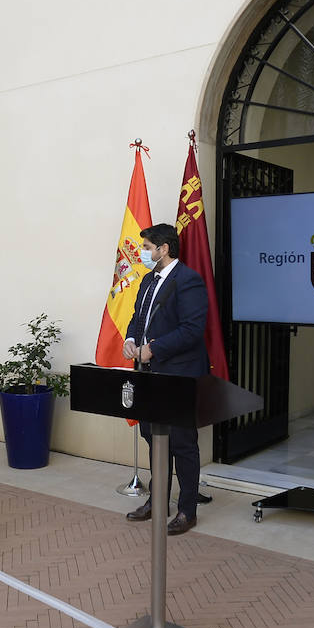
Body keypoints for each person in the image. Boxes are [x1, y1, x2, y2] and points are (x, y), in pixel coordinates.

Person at [122, 223, 209, 536]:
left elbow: (191, 330)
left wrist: (153, 349)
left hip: (179, 375)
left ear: (164, 248)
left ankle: (187, 509)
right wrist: (131, 339)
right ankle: (158, 500)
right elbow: (138, 317)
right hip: (148, 375)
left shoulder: (189, 281)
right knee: (153, 437)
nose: (143, 252)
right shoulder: (147, 280)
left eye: (147, 247)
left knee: (182, 443)